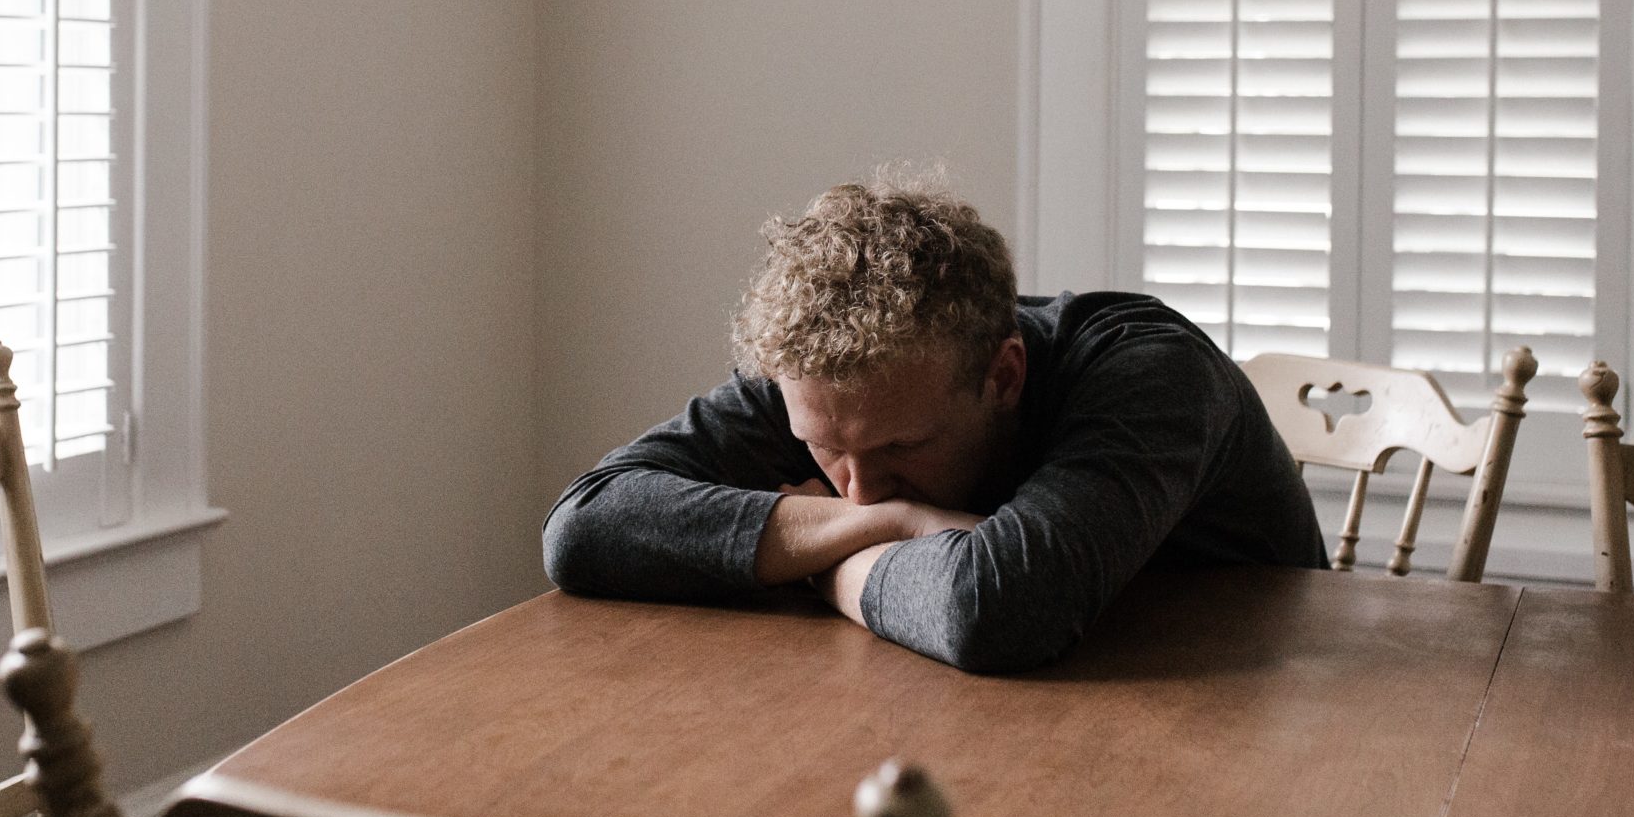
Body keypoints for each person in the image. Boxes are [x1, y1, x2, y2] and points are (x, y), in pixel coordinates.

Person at [541, 172, 1327, 672]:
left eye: (901, 451)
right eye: (824, 449)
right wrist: (897, 524)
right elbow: (583, 526)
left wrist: (821, 563)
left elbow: (996, 607)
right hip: (1007, 703)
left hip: (1273, 708)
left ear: (1004, 375)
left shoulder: (1150, 371)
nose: (859, 490)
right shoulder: (832, 381)